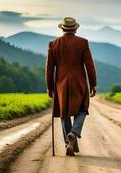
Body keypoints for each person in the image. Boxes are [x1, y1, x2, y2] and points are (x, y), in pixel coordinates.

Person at [45, 17, 97, 156]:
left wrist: (50, 87)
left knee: (64, 114)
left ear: (62, 29)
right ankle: (73, 133)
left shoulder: (53, 44)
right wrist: (93, 84)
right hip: (79, 83)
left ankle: (68, 143)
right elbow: (90, 66)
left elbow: (49, 69)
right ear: (75, 29)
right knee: (82, 110)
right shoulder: (83, 43)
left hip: (61, 85)